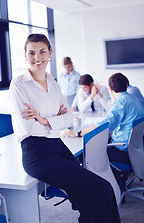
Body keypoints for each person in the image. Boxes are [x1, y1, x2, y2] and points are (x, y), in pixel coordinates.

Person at [9, 34, 121, 223]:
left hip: (57, 145)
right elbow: (28, 125)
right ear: (25, 56)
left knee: (87, 198)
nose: (37, 57)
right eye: (32, 53)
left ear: (50, 53)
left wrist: (44, 119)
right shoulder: (19, 84)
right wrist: (54, 120)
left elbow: (69, 118)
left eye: (42, 51)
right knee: (102, 189)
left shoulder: (53, 82)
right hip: (36, 153)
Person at [64, 73, 144, 165]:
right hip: (136, 149)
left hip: (123, 151)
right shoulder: (133, 99)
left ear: (110, 89)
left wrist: (78, 133)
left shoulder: (120, 103)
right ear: (126, 85)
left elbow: (103, 125)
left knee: (84, 154)